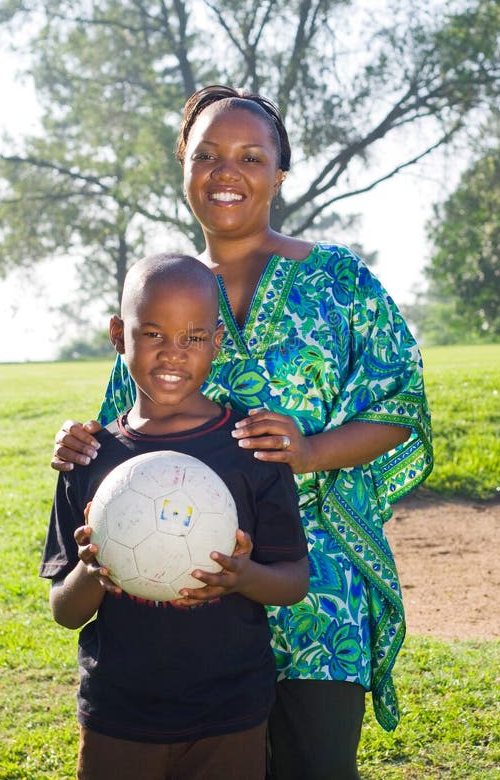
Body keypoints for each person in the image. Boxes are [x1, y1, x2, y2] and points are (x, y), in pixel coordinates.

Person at [52, 85, 433, 780]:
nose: (227, 172)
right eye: (207, 155)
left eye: (250, 156)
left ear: (279, 173)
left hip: (318, 576)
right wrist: (79, 441)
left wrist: (312, 450)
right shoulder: (164, 288)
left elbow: (401, 405)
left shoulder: (338, 280)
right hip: (193, 583)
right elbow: (124, 431)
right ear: (184, 167)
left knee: (315, 762)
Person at [41, 252, 309, 780]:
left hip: (230, 712)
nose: (173, 353)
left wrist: (243, 575)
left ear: (217, 341)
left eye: (192, 337)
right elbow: (64, 611)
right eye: (154, 334)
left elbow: (294, 581)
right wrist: (93, 572)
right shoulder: (90, 457)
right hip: (119, 714)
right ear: (119, 335)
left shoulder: (250, 449)